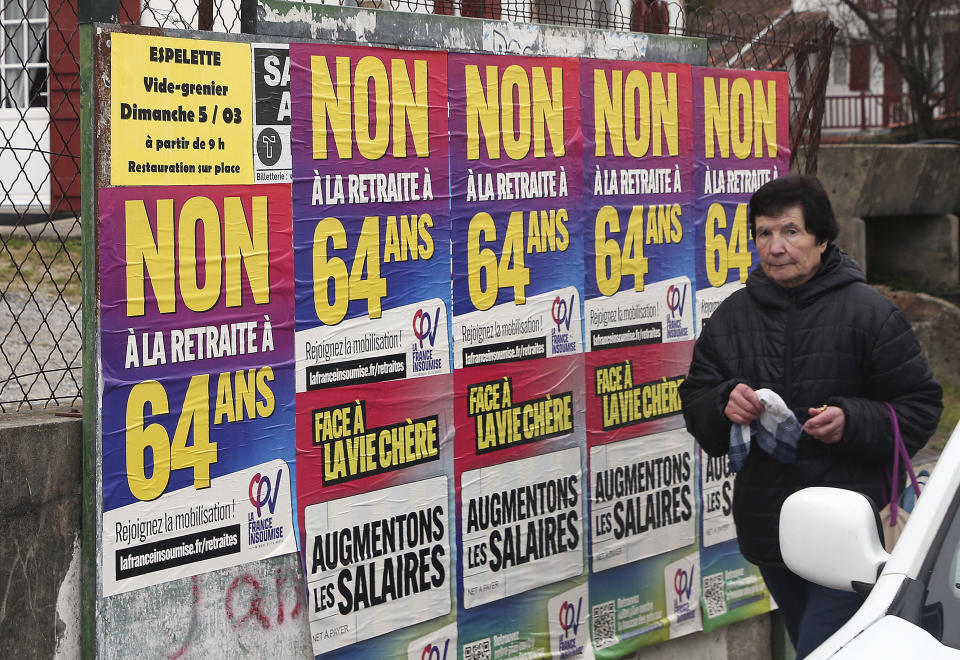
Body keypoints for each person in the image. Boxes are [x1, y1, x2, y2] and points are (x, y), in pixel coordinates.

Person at [679, 174, 942, 658]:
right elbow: (696, 404)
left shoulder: (870, 313)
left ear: (822, 239)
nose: (776, 247)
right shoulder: (731, 318)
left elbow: (921, 407)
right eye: (764, 233)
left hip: (852, 535)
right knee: (813, 645)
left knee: (823, 649)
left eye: (791, 232)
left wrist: (852, 420)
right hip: (772, 530)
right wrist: (722, 404)